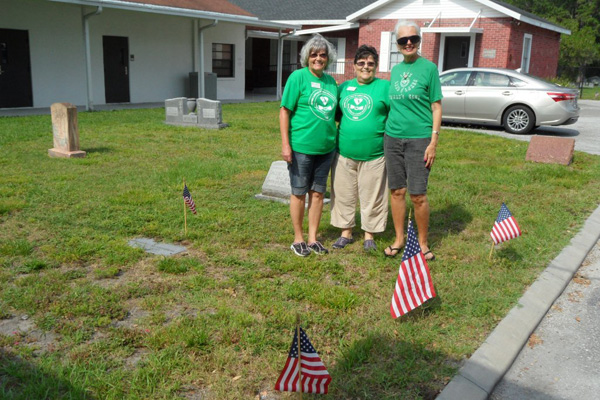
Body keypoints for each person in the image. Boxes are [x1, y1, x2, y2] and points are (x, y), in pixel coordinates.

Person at [383, 20, 442, 260]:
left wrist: (433, 141)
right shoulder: (395, 71)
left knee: (418, 194)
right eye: (402, 40)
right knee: (397, 191)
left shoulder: (429, 68)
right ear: (397, 44)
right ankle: (399, 239)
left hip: (420, 139)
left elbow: (436, 107)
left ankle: (423, 243)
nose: (408, 43)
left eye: (413, 39)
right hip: (393, 138)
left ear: (419, 41)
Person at [280, 34, 338, 257]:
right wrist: (286, 145)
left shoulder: (331, 82)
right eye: (314, 54)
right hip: (301, 147)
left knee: (318, 193)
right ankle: (298, 239)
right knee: (299, 193)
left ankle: (313, 238)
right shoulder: (298, 77)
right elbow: (285, 111)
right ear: (307, 57)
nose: (318, 58)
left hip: (326, 148)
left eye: (323, 55)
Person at [330, 45, 390, 252]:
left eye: (370, 63)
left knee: (372, 195)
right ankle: (345, 232)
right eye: (362, 63)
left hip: (375, 153)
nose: (366, 67)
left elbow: (393, 116)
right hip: (344, 152)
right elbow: (336, 115)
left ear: (376, 66)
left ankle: (369, 233)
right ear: (354, 66)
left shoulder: (385, 87)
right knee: (343, 193)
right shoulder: (344, 88)